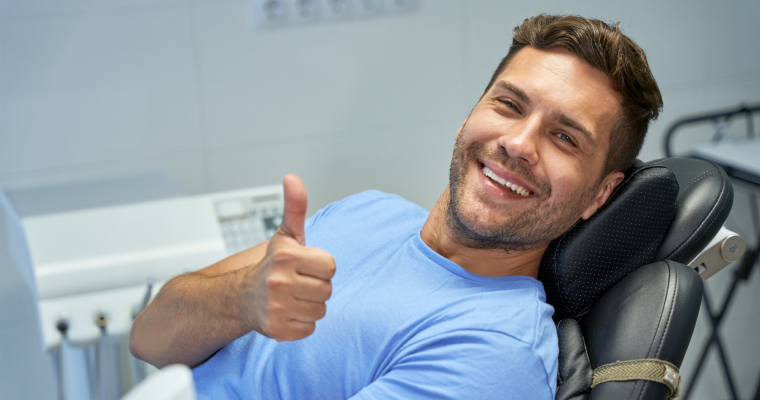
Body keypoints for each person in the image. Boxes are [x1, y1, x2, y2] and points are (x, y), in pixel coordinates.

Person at [130, 14, 662, 399]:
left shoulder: (495, 349)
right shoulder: (368, 213)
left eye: (565, 138)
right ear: (468, 117)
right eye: (508, 104)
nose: (519, 144)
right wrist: (240, 299)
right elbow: (149, 335)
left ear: (600, 194)